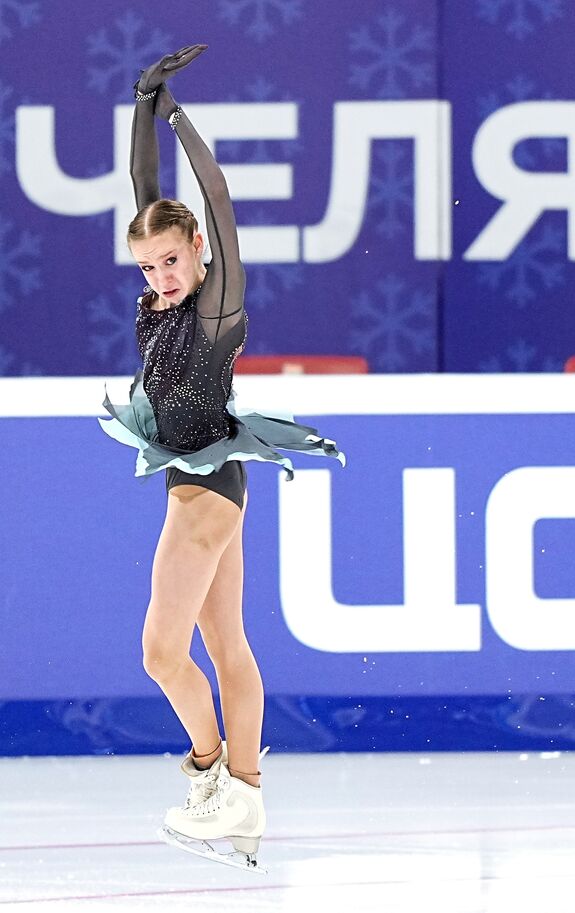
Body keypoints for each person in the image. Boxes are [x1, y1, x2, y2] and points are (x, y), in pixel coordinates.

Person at [98, 45, 344, 872]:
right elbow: (147, 196)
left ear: (198, 249)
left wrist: (175, 117)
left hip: (206, 486)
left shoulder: (218, 307)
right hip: (204, 478)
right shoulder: (160, 292)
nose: (161, 277)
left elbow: (218, 197)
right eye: (148, 266)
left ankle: (212, 772)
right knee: (227, 644)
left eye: (172, 260)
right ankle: (247, 797)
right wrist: (140, 102)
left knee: (161, 653)